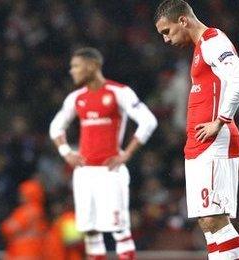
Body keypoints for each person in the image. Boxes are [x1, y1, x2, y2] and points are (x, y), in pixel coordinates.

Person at [154, 1, 239, 259]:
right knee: (207, 223)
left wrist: (220, 120)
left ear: (183, 20)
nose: (165, 39)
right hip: (199, 144)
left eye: (167, 31)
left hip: (215, 140)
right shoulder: (199, 49)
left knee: (214, 219)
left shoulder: (212, 40)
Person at [49, 47, 158, 259]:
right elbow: (56, 127)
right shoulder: (76, 98)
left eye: (76, 66)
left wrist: (126, 153)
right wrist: (66, 152)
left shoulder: (119, 92)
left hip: (111, 172)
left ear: (92, 66)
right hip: (84, 173)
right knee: (90, 231)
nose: (72, 71)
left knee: (120, 229)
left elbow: (148, 121)